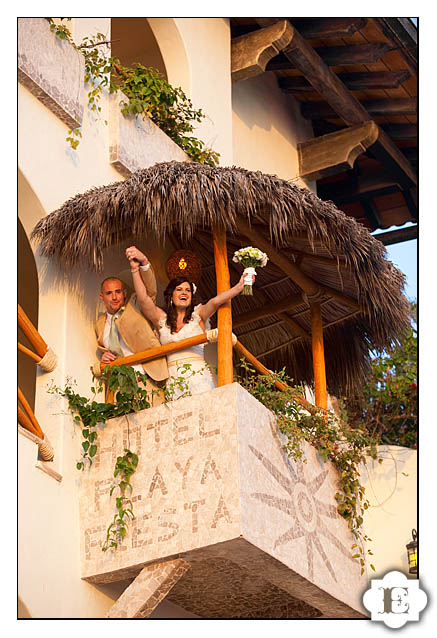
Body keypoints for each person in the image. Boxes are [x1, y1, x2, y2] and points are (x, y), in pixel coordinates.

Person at [125, 245, 252, 400]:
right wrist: (136, 269)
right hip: (173, 378)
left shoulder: (199, 314)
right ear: (171, 296)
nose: (184, 292)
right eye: (179, 289)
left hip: (198, 377)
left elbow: (216, 301)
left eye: (187, 290)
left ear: (192, 296)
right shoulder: (162, 319)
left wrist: (239, 287)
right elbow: (143, 299)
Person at [92, 256, 168, 405]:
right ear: (102, 297)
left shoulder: (135, 307)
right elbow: (107, 348)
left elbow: (150, 290)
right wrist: (105, 357)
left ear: (124, 293)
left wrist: (142, 265)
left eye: (118, 292)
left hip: (146, 379)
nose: (114, 297)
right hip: (119, 387)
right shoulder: (99, 324)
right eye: (109, 293)